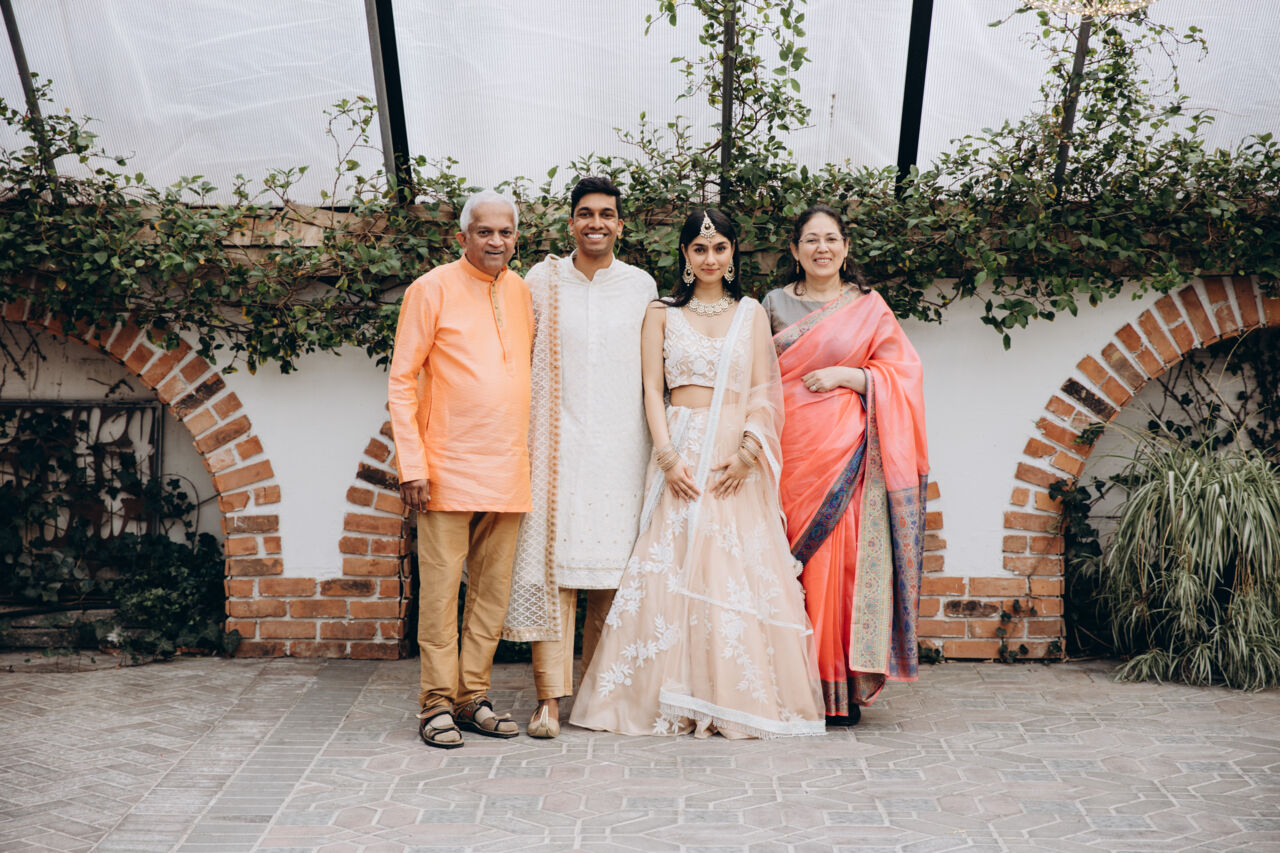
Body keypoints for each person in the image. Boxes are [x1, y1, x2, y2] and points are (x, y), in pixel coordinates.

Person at [570, 208, 825, 739]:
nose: (711, 258)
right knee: (671, 564)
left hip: (733, 454)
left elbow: (763, 390)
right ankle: (663, 696)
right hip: (681, 448)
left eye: (720, 248)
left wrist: (750, 451)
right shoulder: (661, 312)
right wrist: (667, 456)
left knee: (731, 569)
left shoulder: (750, 313)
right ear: (685, 256)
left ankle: (729, 696)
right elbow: (651, 389)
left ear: (732, 254)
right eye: (700, 249)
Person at [762, 204, 929, 725]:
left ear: (846, 247)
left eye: (831, 239)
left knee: (839, 567)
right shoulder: (772, 304)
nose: (822, 248)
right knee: (785, 564)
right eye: (811, 240)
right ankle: (786, 687)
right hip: (787, 453)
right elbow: (754, 375)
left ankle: (836, 690)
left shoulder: (868, 307)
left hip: (847, 456)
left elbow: (904, 373)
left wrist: (848, 376)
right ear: (794, 250)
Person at [503, 176, 658, 739]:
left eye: (606, 214)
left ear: (621, 224)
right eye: (586, 213)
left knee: (615, 576)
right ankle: (548, 699)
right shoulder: (540, 282)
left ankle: (598, 696)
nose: (596, 223)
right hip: (556, 449)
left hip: (624, 449)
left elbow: (653, 369)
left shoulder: (641, 286)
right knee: (556, 572)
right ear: (570, 223)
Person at [386, 189, 534, 748]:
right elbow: (402, 380)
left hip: (507, 465)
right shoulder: (430, 288)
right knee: (441, 593)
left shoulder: (520, 291)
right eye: (484, 232)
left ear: (516, 238)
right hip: (445, 466)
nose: (496, 241)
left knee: (491, 594)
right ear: (462, 236)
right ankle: (435, 703)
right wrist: (412, 464)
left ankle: (473, 697)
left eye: (505, 232)